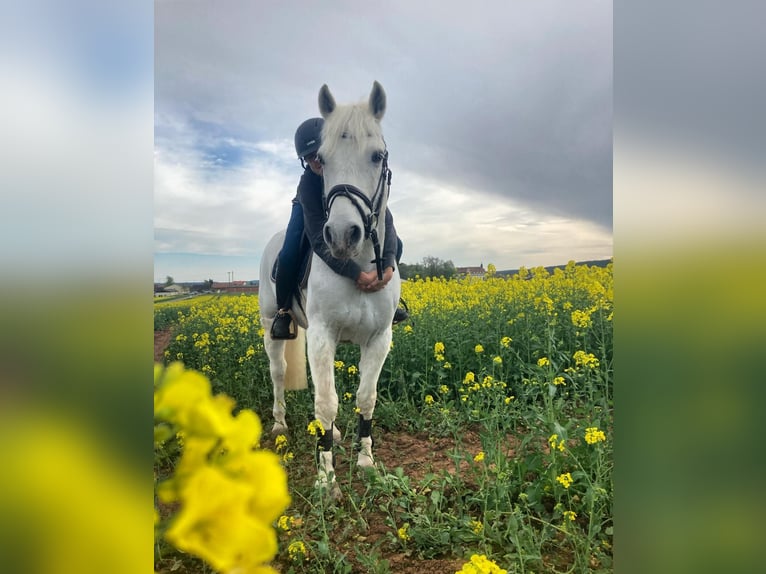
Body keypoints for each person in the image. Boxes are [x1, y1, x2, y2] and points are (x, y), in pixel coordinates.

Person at [271, 117, 409, 340]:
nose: (315, 160)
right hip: (308, 208)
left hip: (345, 209)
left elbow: (386, 220)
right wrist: (355, 273)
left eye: (318, 153)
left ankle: (388, 304)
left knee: (398, 243)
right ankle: (284, 310)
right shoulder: (308, 184)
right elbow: (317, 237)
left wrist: (389, 265)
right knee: (288, 253)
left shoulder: (350, 171)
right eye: (308, 157)